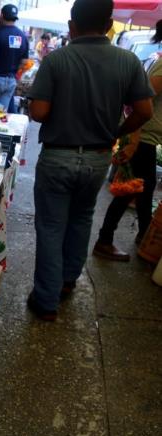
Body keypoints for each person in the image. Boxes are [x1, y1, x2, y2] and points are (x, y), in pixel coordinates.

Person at [26, 0, 153, 321]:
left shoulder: (57, 60)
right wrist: (118, 131)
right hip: (97, 158)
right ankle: (68, 282)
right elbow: (145, 111)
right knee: (81, 219)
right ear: (110, 24)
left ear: (71, 26)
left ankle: (45, 301)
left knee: (52, 227)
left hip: (58, 156)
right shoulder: (128, 61)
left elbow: (39, 112)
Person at [95, 21, 162, 261]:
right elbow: (142, 102)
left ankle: (144, 236)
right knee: (130, 189)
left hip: (145, 137)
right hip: (142, 136)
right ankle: (105, 240)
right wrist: (130, 135)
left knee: (142, 190)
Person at [0, 4, 29, 112]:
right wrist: (14, 77)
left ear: (2, 15)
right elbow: (25, 62)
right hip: (11, 81)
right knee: (0, 114)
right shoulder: (22, 37)